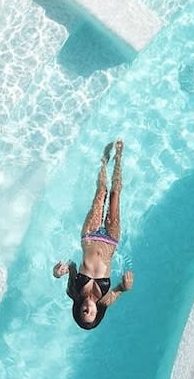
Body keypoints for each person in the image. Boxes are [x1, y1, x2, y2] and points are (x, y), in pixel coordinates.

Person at [53, 139, 134, 330]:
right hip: (110, 241)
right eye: (91, 314)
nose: (87, 310)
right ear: (98, 313)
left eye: (83, 313)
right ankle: (119, 158)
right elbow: (121, 289)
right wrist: (125, 287)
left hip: (89, 237)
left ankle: (104, 161)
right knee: (114, 195)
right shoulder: (105, 300)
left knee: (101, 192)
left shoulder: (74, 292)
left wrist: (57, 273)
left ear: (78, 310)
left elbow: (71, 266)